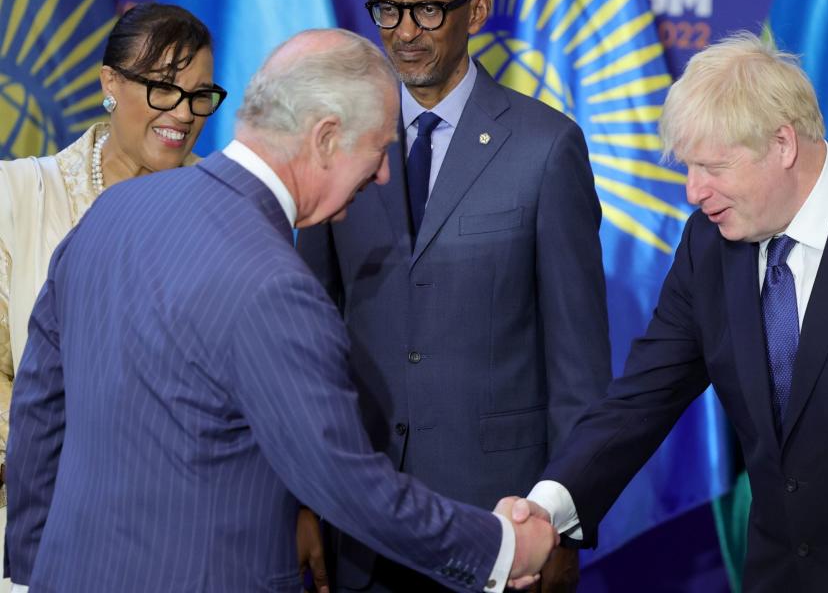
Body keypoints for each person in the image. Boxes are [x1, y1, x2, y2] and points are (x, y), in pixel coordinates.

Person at [3, 29, 557, 592]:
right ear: (325, 139)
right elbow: (347, 484)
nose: (384, 173)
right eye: (379, 147)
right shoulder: (277, 284)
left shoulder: (116, 210)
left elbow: (40, 412)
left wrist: (26, 573)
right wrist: (502, 547)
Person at [503, 32, 828, 592]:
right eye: (687, 168)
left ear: (783, 145)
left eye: (711, 166)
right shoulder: (708, 247)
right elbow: (641, 399)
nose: (694, 191)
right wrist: (548, 509)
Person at [296, 0, 609, 590]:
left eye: (428, 11)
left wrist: (566, 528)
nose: (406, 32)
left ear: (478, 10)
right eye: (388, 10)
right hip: (359, 517)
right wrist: (302, 501)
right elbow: (305, 337)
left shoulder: (546, 146)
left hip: (500, 526)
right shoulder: (332, 140)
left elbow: (579, 364)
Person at [0, 0, 221, 577]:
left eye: (200, 95)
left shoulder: (228, 210)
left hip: (183, 536)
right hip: (37, 533)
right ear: (110, 84)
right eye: (163, 88)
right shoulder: (20, 196)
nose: (184, 112)